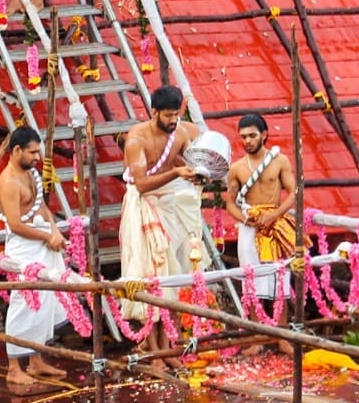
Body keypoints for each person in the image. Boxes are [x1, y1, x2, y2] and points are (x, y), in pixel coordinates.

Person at [117, 85, 207, 350]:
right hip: (144, 204)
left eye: (175, 115)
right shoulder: (137, 139)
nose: (172, 121)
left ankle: (170, 342)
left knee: (176, 271)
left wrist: (196, 173)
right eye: (167, 115)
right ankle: (155, 347)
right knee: (151, 272)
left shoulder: (180, 133)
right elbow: (142, 184)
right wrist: (177, 173)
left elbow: (189, 161)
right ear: (153, 112)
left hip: (172, 205)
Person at [0, 126, 71, 393]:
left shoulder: (30, 174)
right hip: (23, 250)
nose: (38, 157)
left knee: (45, 300)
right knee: (24, 302)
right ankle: (14, 368)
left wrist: (55, 230)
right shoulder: (9, 182)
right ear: (16, 151)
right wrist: (45, 236)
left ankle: (36, 360)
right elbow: (14, 224)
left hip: (40, 242)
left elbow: (41, 206)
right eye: (33, 152)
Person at [223, 114, 295, 309]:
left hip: (275, 226)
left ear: (264, 135)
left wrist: (274, 215)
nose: (247, 141)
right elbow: (230, 203)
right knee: (251, 278)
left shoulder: (280, 161)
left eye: (252, 135)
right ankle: (256, 334)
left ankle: (281, 334)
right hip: (250, 226)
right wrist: (246, 220)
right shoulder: (236, 168)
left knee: (280, 276)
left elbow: (293, 193)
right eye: (243, 137)